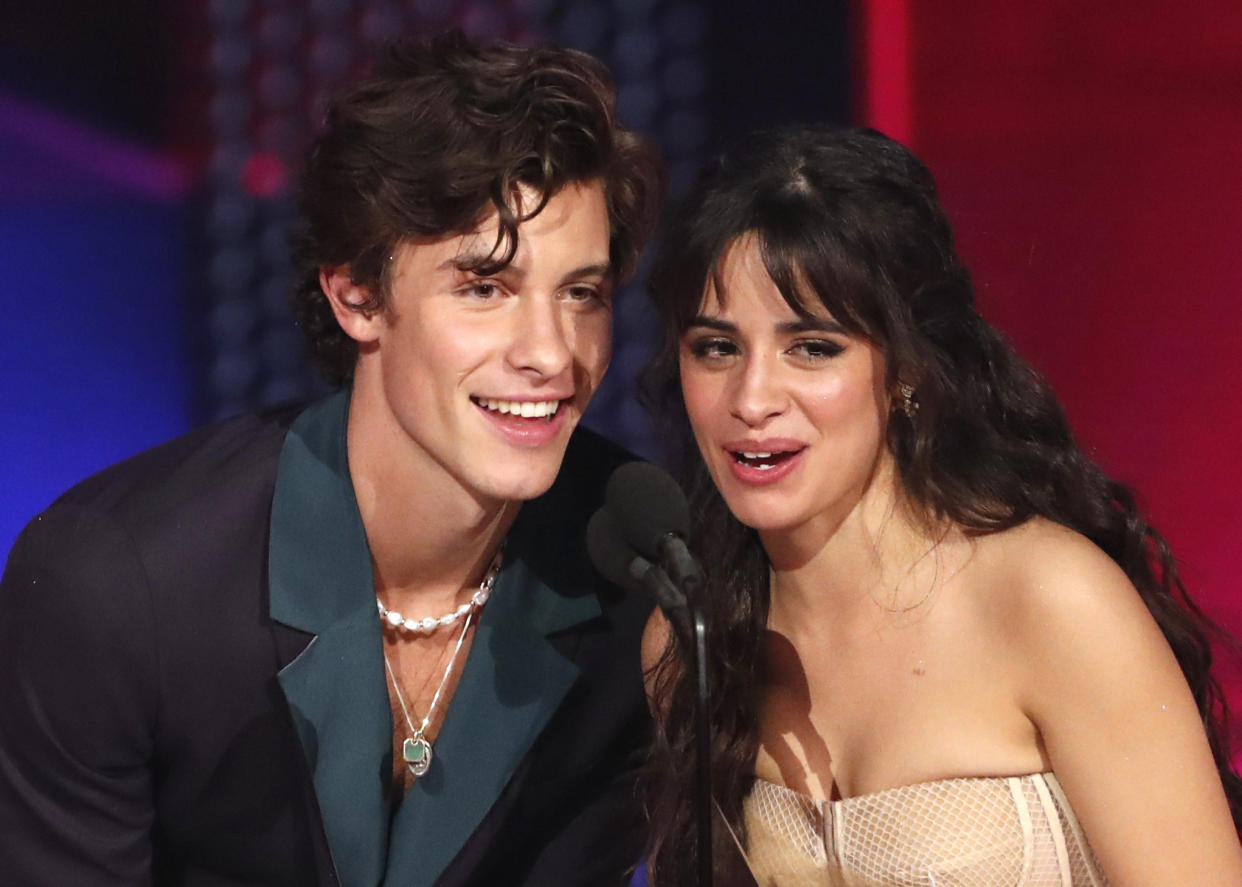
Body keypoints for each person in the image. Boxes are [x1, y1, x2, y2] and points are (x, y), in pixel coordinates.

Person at [0, 31, 661, 886]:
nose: (552, 352)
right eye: (485, 287)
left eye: (582, 293)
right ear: (356, 295)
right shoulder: (120, 585)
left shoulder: (643, 582)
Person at [639, 125, 1242, 886]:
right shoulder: (689, 635)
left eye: (813, 347)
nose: (751, 399)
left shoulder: (1047, 599)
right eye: (716, 348)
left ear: (907, 371)